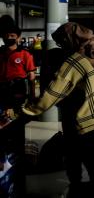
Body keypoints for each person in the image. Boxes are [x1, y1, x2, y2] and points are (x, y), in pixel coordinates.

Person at [14, 22, 94, 197]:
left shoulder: (76, 61)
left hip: (93, 126)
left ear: (69, 40)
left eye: (62, 42)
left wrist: (23, 111)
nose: (62, 47)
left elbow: (51, 95)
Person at [0, 25, 36, 197]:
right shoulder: (0, 53)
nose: (10, 37)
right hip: (2, 96)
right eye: (7, 35)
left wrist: (32, 99)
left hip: (18, 96)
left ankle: (19, 171)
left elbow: (31, 77)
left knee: (17, 133)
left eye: (13, 35)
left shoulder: (25, 54)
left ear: (19, 37)